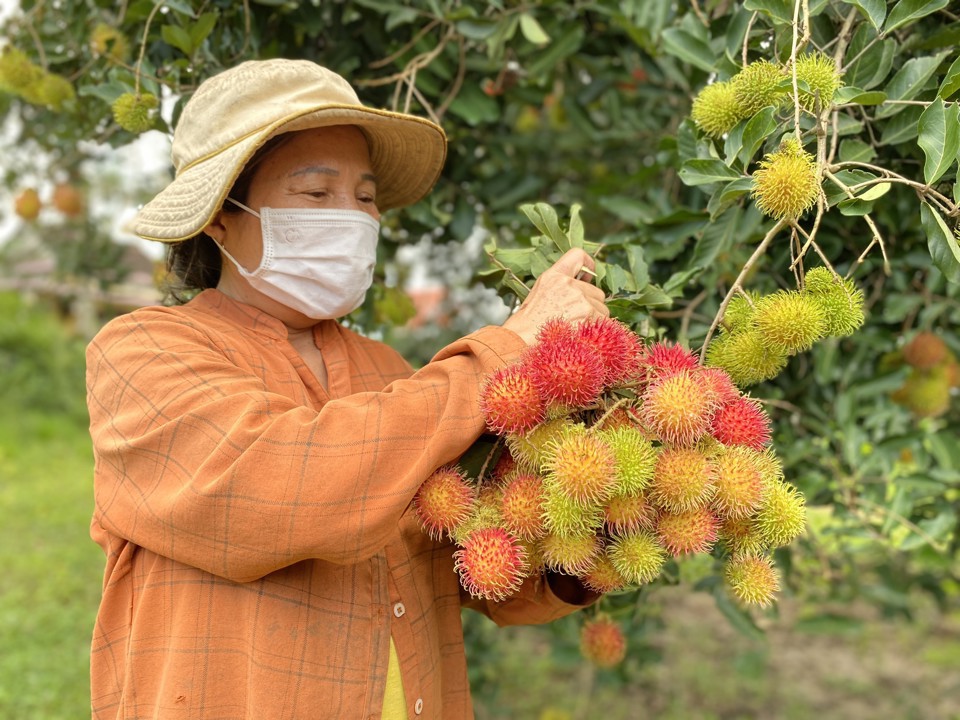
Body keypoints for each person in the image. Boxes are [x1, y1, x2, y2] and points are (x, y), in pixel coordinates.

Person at [85, 58, 609, 720]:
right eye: (315, 194)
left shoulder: (390, 372)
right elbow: (279, 489)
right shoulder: (143, 353)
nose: (353, 217)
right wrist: (504, 355)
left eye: (364, 198)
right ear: (220, 216)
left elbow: (466, 561)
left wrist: (595, 524)